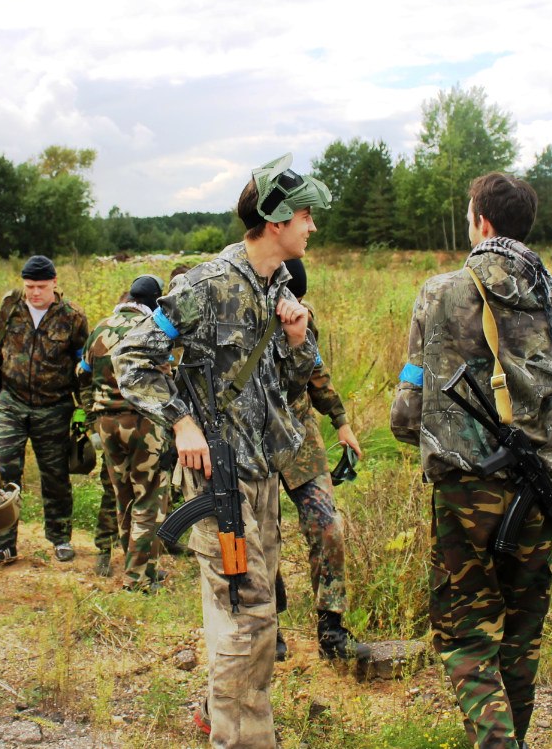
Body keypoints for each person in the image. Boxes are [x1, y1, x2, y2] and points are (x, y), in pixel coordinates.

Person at [114, 153, 330, 748]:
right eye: (306, 215)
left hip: (263, 475)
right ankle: (241, 738)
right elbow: (132, 357)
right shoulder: (205, 286)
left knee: (256, 616)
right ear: (276, 220)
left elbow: (289, 387)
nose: (313, 226)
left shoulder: (278, 287)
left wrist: (294, 340)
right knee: (246, 615)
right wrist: (181, 421)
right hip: (219, 482)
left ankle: (224, 716)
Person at [390, 172, 552, 749]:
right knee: (520, 640)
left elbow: (406, 411)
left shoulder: (438, 294)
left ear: (481, 223)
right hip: (535, 496)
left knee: (467, 637)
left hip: (464, 496)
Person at [273, 257, 369, 662]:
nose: (291, 303)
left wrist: (341, 421)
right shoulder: (241, 315)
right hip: (251, 439)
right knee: (260, 537)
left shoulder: (304, 320)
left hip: (299, 436)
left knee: (327, 526)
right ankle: (268, 627)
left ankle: (331, 630)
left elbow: (316, 372)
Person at [0, 255, 92, 564]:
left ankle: (60, 538)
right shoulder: (10, 308)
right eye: (29, 286)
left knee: (55, 475)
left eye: (41, 287)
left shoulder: (72, 317)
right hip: (11, 403)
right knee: (3, 470)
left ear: (54, 283)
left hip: (53, 406)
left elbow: (85, 367)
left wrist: (83, 410)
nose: (34, 293)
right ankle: (4, 543)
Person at [78, 274, 172, 591]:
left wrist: (93, 414)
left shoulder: (100, 328)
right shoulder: (153, 330)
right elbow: (167, 378)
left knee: (124, 496)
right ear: (154, 301)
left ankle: (137, 564)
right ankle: (138, 577)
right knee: (149, 496)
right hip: (144, 422)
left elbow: (81, 374)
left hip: (107, 424)